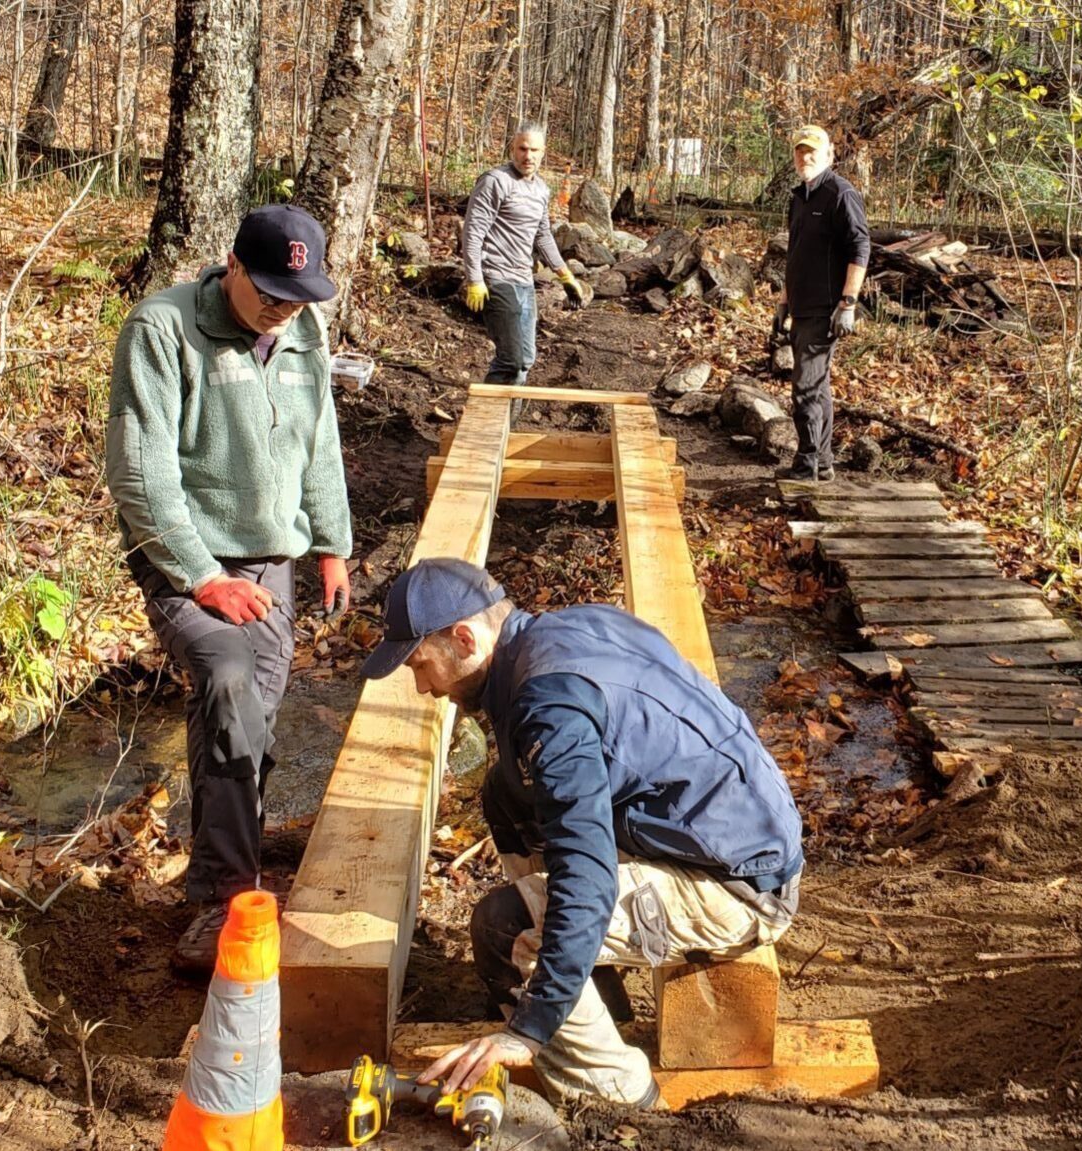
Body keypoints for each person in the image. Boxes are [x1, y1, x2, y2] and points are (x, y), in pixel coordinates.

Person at [361, 558, 804, 1106]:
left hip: (740, 887)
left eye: (421, 666)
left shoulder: (550, 707)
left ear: (464, 638)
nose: (424, 688)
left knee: (504, 930)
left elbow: (585, 873)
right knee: (506, 793)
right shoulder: (563, 633)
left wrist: (529, 1027)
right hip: (714, 830)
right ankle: (594, 990)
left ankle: (625, 1101)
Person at [105, 204, 353, 975]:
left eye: (299, 293)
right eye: (272, 291)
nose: (285, 308)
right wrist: (202, 576)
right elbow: (140, 472)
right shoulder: (163, 329)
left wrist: (332, 543)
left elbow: (319, 442)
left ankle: (225, 869)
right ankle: (224, 895)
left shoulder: (304, 331)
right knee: (226, 675)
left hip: (268, 558)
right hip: (186, 555)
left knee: (248, 714)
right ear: (233, 268)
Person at [772, 124, 871, 482]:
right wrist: (784, 301)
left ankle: (808, 463)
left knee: (806, 387)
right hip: (801, 305)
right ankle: (823, 461)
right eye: (800, 151)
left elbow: (861, 247)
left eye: (813, 151)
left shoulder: (840, 194)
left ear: (830, 155)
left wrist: (848, 302)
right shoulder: (800, 196)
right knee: (817, 385)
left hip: (825, 307)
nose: (805, 157)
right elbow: (796, 253)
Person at [462, 123, 587, 403]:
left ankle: (507, 423)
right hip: (496, 278)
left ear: (543, 154)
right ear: (512, 149)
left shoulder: (541, 189)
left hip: (524, 280)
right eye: (522, 148)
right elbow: (472, 232)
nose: (527, 156)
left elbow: (542, 235)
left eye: (534, 150)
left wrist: (565, 276)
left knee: (526, 360)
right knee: (510, 359)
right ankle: (484, 422)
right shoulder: (495, 181)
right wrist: (475, 280)